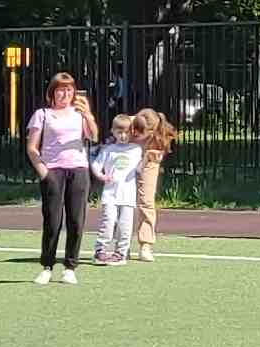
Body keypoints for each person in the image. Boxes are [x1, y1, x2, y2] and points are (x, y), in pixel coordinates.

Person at [23, 71, 94, 285]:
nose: (65, 94)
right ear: (52, 92)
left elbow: (93, 135)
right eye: (61, 90)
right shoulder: (42, 114)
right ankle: (47, 266)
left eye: (69, 90)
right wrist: (43, 172)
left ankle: (70, 267)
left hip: (78, 169)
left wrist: (88, 115)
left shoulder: (79, 113)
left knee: (76, 220)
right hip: (53, 170)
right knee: (53, 221)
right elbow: (32, 147)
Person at [90, 115, 145, 266]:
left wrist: (148, 159)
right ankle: (100, 251)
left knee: (125, 226)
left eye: (127, 132)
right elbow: (96, 165)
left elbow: (139, 169)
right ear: (113, 131)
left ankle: (121, 253)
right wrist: (101, 176)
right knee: (108, 222)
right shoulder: (109, 150)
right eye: (119, 132)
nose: (123, 136)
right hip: (110, 194)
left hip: (127, 195)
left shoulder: (136, 149)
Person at [131, 109, 173, 262]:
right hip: (126, 158)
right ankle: (121, 244)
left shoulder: (158, 135)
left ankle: (145, 245)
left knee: (146, 202)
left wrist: (147, 158)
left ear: (152, 131)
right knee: (122, 202)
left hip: (149, 161)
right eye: (135, 129)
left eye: (140, 132)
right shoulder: (127, 123)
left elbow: (158, 155)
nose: (135, 134)